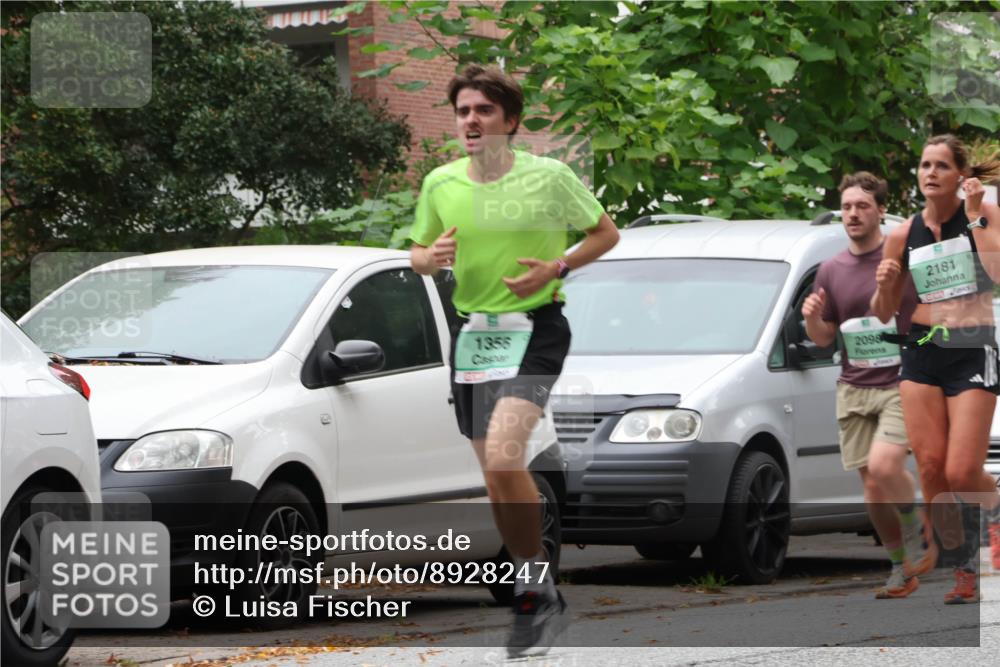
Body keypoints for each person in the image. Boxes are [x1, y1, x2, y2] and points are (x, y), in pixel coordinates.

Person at [409, 64, 619, 657]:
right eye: (463, 111)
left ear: (511, 121)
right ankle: (538, 587)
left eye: (483, 110)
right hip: (474, 336)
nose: (471, 120)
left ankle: (532, 585)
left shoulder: (549, 177)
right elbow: (418, 253)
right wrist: (431, 258)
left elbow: (606, 234)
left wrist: (558, 266)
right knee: (495, 477)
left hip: (536, 329)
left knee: (505, 454)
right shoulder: (440, 183)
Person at [871, 134, 1000, 604]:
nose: (929, 173)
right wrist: (885, 284)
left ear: (959, 176)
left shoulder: (982, 215)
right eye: (924, 165)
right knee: (930, 469)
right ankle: (966, 568)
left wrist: (975, 215)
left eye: (940, 166)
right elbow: (884, 311)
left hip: (972, 346)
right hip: (923, 348)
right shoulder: (903, 233)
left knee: (963, 470)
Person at [803, 172, 935, 599]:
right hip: (854, 386)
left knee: (883, 466)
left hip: (901, 380)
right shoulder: (830, 268)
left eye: (862, 206)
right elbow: (825, 338)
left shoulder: (899, 258)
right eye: (846, 207)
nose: (853, 214)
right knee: (872, 488)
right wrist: (811, 317)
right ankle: (900, 569)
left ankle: (917, 531)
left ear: (880, 210)